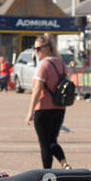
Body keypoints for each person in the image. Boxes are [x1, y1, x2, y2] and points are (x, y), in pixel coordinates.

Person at [26, 36, 69, 169]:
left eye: (39, 48)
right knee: (52, 141)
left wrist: (30, 112)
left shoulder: (44, 65)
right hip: (60, 108)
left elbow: (37, 90)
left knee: (44, 144)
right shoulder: (62, 64)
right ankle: (64, 163)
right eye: (35, 48)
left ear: (48, 48)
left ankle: (47, 174)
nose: (36, 51)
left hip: (43, 108)